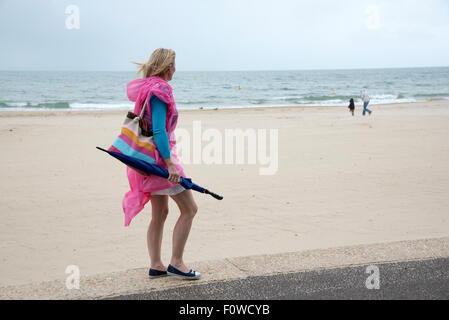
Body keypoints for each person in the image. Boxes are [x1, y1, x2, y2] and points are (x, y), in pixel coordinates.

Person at [123, 48, 201, 280]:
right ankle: (176, 262)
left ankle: (156, 265)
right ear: (168, 67)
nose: (175, 70)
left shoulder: (147, 88)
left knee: (160, 213)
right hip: (159, 161)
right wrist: (170, 165)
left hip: (146, 161)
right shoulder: (161, 89)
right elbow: (158, 130)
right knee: (190, 209)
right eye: (174, 65)